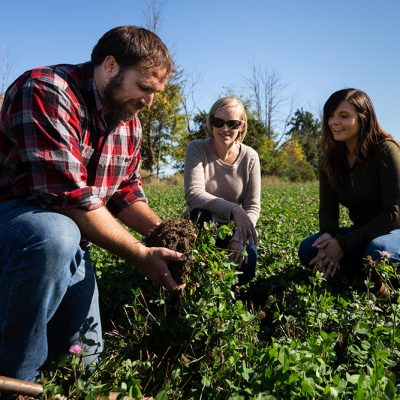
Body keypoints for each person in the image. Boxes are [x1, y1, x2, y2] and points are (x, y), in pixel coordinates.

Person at [0, 25, 187, 382]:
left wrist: (164, 234)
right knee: (55, 232)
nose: (149, 101)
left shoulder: (128, 123)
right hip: (17, 227)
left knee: (84, 363)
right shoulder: (45, 90)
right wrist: (140, 254)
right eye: (144, 88)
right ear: (110, 66)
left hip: (70, 242)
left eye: (155, 92)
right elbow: (68, 199)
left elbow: (125, 192)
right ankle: (15, 378)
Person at [298, 88, 400, 297]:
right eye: (331, 116)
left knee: (378, 250)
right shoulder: (330, 158)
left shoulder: (386, 150)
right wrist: (329, 239)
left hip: (394, 231)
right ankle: (365, 277)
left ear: (363, 118)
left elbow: (395, 214)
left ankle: (382, 284)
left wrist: (344, 245)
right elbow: (327, 210)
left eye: (344, 116)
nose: (335, 122)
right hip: (361, 231)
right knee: (309, 249)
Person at [184, 97, 261, 286]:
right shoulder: (197, 148)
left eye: (232, 124)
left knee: (246, 267)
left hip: (235, 227)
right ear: (211, 122)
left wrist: (239, 237)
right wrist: (234, 209)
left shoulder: (250, 157)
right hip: (202, 222)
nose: (225, 129)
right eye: (218, 122)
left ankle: (227, 301)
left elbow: (252, 206)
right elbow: (193, 193)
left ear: (241, 126)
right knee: (199, 219)